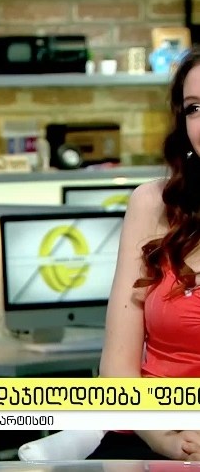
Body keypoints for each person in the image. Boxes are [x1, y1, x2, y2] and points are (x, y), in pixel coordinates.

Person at [88, 45, 200, 461]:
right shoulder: (151, 205)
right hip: (146, 436)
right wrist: (165, 439)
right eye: (194, 108)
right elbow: (116, 367)